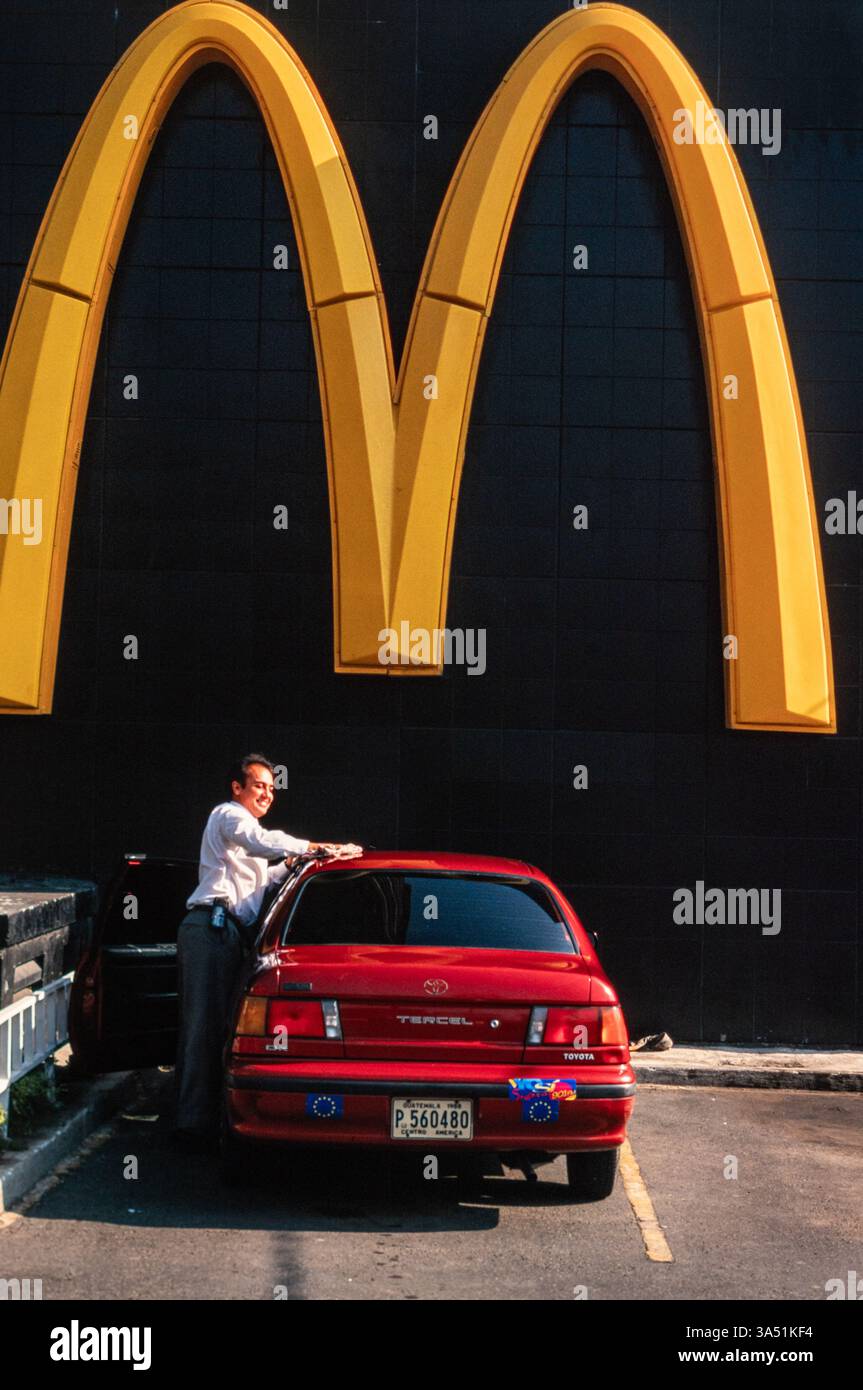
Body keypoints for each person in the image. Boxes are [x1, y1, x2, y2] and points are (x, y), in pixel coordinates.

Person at [172, 752, 361, 1149]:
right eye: (259, 786)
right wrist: (315, 844)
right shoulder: (228, 816)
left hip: (230, 933)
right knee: (202, 1028)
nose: (267, 794)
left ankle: (209, 1118)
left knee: (222, 1029)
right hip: (210, 927)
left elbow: (264, 876)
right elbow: (262, 842)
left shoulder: (244, 834)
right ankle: (191, 1126)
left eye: (273, 788)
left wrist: (304, 859)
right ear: (236, 788)